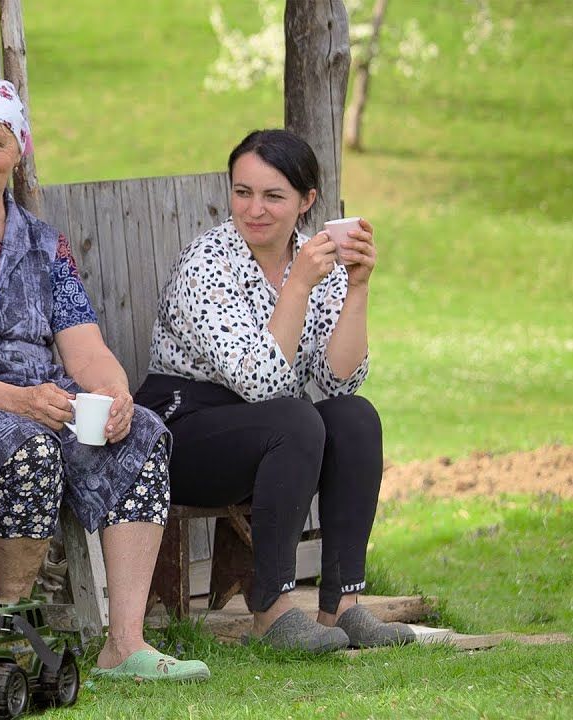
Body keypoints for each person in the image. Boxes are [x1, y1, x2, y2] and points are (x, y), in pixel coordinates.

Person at [0, 76, 209, 682]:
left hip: (34, 395)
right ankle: (5, 632)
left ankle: (124, 643)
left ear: (18, 147)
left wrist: (115, 392)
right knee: (29, 450)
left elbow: (86, 347)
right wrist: (21, 403)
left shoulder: (44, 243)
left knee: (144, 434)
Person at [135, 128, 415, 652]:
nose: (254, 209)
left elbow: (340, 379)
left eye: (273, 195)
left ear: (307, 201)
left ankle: (343, 608)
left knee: (355, 416)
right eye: (243, 192)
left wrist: (357, 288)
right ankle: (271, 610)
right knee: (295, 418)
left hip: (267, 429)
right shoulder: (209, 262)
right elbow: (261, 382)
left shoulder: (314, 260)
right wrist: (299, 287)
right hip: (179, 431)